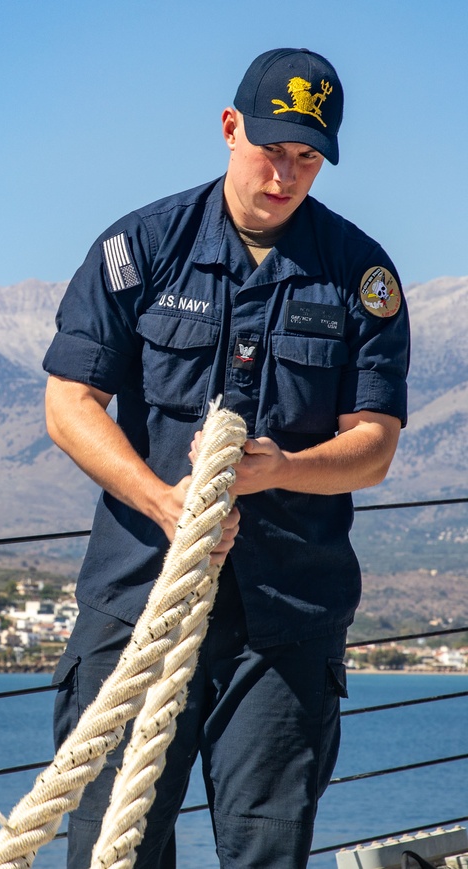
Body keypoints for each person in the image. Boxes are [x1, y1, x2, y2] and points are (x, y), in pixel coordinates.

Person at [43, 48, 410, 868]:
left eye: (306, 158)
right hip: (138, 601)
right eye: (270, 149)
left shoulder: (361, 277)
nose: (284, 175)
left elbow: (374, 445)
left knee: (265, 855)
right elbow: (68, 406)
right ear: (229, 127)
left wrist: (281, 467)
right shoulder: (139, 248)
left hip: (284, 622)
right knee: (113, 849)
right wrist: (161, 500)